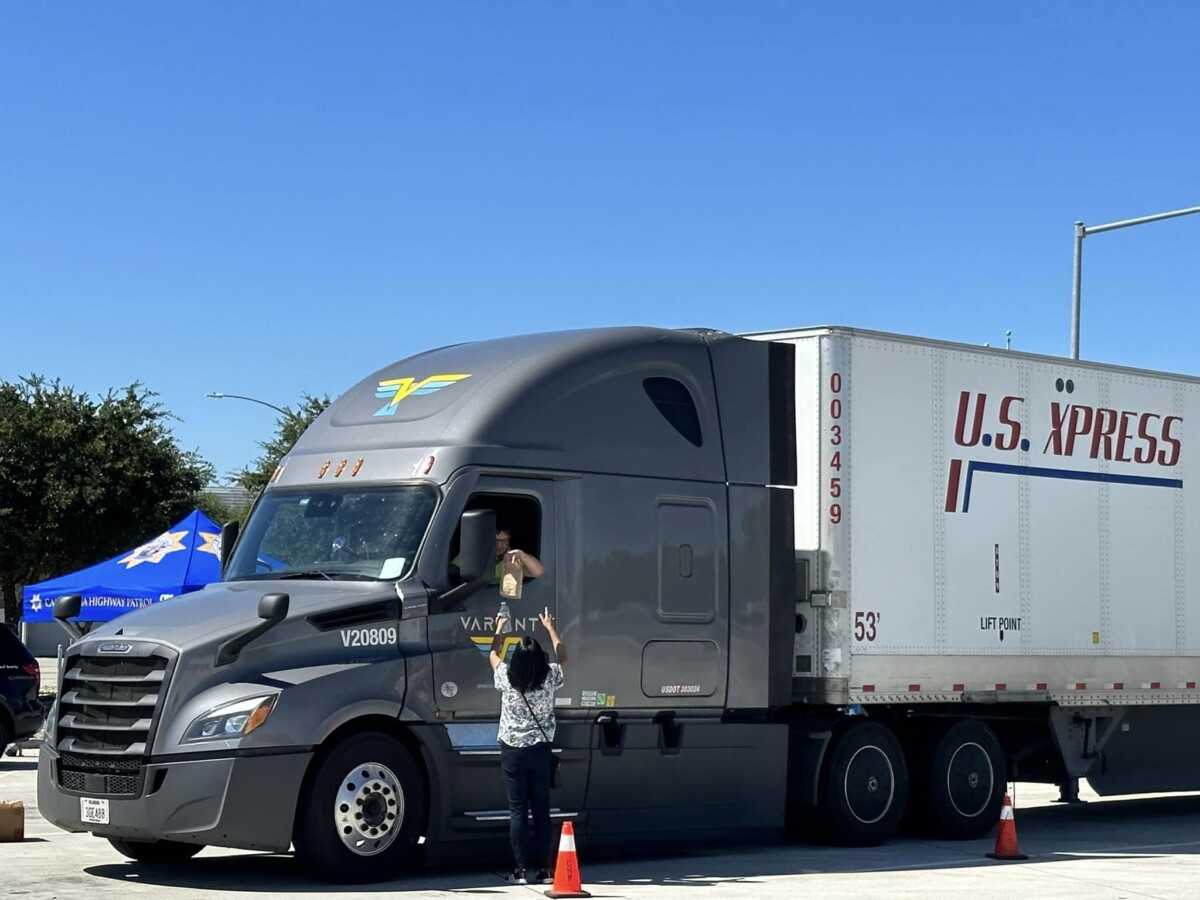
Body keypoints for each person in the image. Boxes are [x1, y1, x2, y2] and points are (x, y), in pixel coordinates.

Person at [490, 606, 567, 885]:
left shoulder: (506, 679)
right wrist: (549, 628)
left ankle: (520, 871)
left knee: (517, 810)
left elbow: (492, 655)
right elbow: (563, 655)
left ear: (517, 661)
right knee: (542, 810)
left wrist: (500, 627)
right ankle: (546, 870)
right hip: (540, 750)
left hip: (512, 750)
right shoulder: (550, 678)